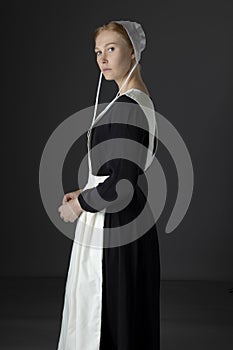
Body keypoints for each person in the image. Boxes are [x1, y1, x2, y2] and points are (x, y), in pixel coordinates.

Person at [57, 20, 160, 350]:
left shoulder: (130, 105)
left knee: (112, 305)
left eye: (111, 49)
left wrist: (79, 205)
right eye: (98, 52)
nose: (102, 58)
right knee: (117, 304)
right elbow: (113, 170)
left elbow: (122, 182)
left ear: (133, 52)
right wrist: (83, 191)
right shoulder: (131, 101)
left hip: (118, 218)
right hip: (116, 213)